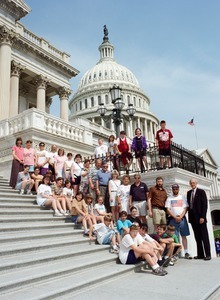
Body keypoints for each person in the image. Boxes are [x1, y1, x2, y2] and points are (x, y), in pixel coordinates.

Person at [187, 178, 211, 260]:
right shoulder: (189, 193)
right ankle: (200, 254)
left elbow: (204, 205)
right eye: (191, 183)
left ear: (196, 183)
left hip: (201, 218)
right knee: (197, 237)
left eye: (193, 183)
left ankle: (208, 254)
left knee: (204, 237)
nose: (192, 184)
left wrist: (203, 217)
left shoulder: (201, 192)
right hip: (193, 219)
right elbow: (189, 206)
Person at [165, 183, 192, 259]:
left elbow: (185, 208)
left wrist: (181, 216)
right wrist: (175, 217)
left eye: (176, 189)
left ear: (178, 189)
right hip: (173, 219)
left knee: (184, 235)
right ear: (172, 189)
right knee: (174, 236)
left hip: (182, 219)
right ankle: (175, 253)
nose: (175, 190)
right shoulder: (169, 198)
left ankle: (186, 252)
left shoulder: (182, 197)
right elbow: (168, 209)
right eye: (174, 189)